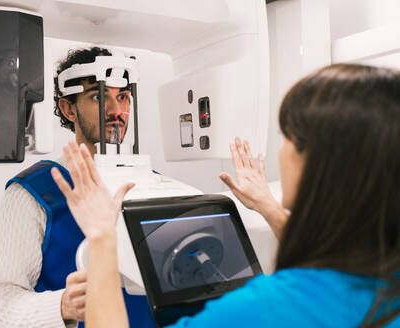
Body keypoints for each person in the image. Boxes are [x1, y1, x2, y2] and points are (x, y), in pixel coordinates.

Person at [51, 63, 400, 327]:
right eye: (101, 96)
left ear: (322, 163)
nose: (115, 110)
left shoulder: (264, 309)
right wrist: (268, 208)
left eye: (288, 137)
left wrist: (100, 237)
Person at [0, 47, 155, 328]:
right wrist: (63, 305)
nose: (115, 111)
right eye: (99, 97)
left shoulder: (152, 184)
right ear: (68, 108)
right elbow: (0, 307)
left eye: (122, 97)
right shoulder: (33, 193)